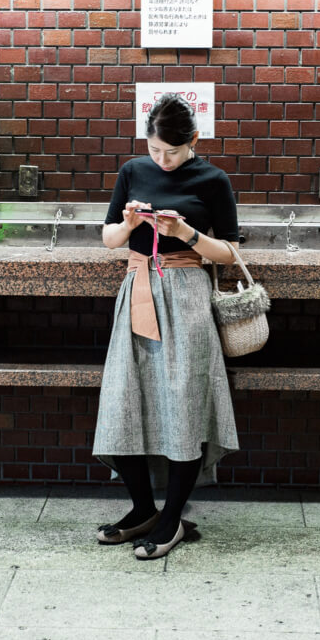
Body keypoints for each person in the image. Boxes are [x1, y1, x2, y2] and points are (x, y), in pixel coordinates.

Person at [92, 93, 241, 560]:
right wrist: (130, 222)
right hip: (136, 287)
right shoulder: (132, 171)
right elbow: (109, 239)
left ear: (193, 140)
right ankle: (142, 509)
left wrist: (185, 234)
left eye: (172, 153)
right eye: (155, 150)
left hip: (187, 297)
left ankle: (172, 518)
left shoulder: (213, 180)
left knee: (184, 405)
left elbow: (230, 253)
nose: (162, 160)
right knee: (125, 399)